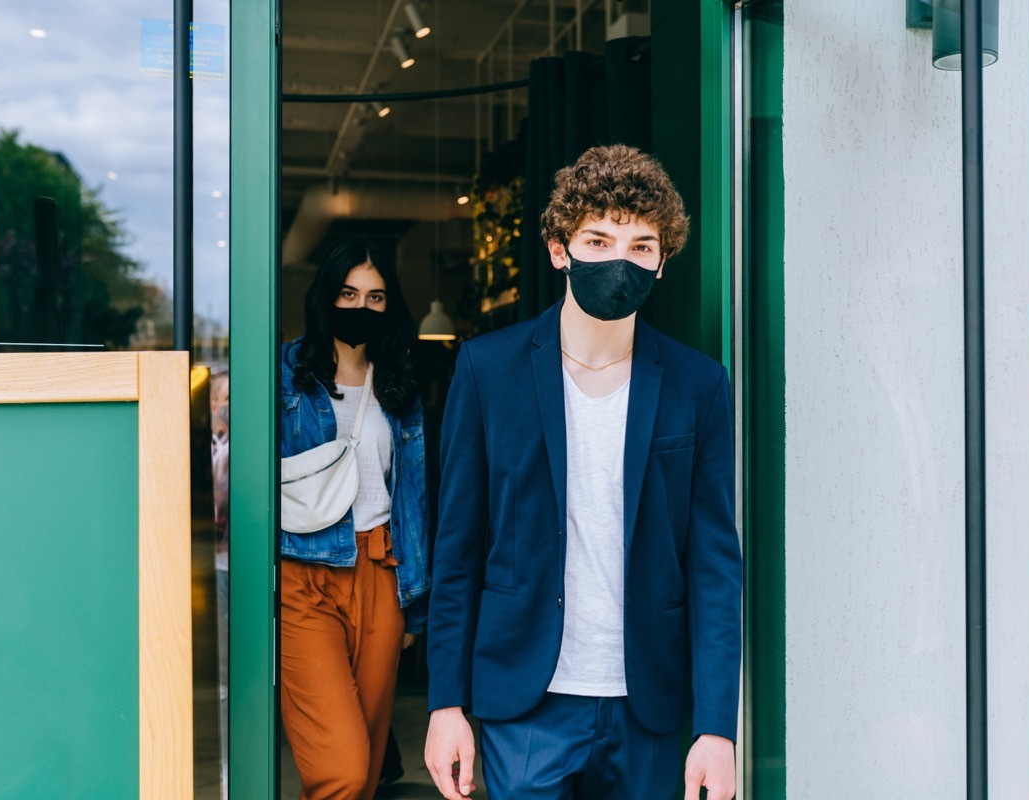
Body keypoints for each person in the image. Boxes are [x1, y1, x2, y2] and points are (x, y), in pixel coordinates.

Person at [423, 144, 742, 800]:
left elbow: (714, 566)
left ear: (662, 261)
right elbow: (456, 550)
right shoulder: (489, 371)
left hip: (648, 704)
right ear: (558, 248)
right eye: (598, 238)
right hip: (527, 701)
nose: (619, 260)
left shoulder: (698, 384)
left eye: (642, 245)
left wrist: (717, 728)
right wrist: (444, 704)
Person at [279, 237, 430, 800]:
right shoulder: (285, 374)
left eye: (375, 296)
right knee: (339, 769)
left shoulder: (397, 384)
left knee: (364, 775)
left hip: (381, 572)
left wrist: (413, 601)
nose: (360, 306)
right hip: (306, 577)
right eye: (348, 293)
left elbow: (415, 495)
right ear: (326, 295)